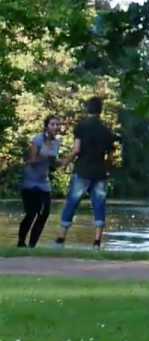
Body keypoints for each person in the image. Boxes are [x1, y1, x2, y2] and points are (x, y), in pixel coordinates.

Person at [55, 96, 115, 249]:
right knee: (99, 205)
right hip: (100, 172)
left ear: (87, 109)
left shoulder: (81, 126)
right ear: (100, 111)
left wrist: (65, 163)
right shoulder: (107, 131)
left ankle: (61, 239)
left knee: (72, 202)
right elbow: (110, 156)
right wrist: (107, 170)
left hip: (82, 170)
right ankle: (97, 242)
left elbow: (76, 149)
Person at [18, 115, 61, 248]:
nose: (56, 127)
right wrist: (46, 146)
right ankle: (21, 243)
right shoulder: (37, 140)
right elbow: (32, 160)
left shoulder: (57, 142)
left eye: (57, 125)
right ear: (46, 126)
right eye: (52, 124)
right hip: (30, 181)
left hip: (43, 182)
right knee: (31, 214)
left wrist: (70, 158)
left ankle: (32, 246)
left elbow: (53, 163)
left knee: (44, 213)